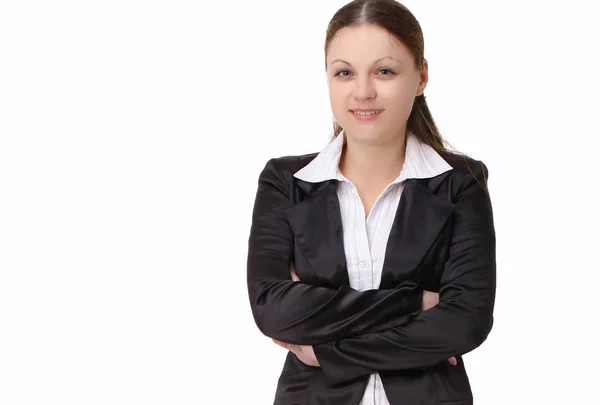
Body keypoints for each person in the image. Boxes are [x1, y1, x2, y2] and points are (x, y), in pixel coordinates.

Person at [246, 0, 496, 404]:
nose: (363, 92)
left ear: (420, 76)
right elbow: (273, 310)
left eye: (384, 71)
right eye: (344, 72)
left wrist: (327, 351)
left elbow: (466, 322)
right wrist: (415, 302)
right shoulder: (286, 182)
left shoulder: (461, 183)